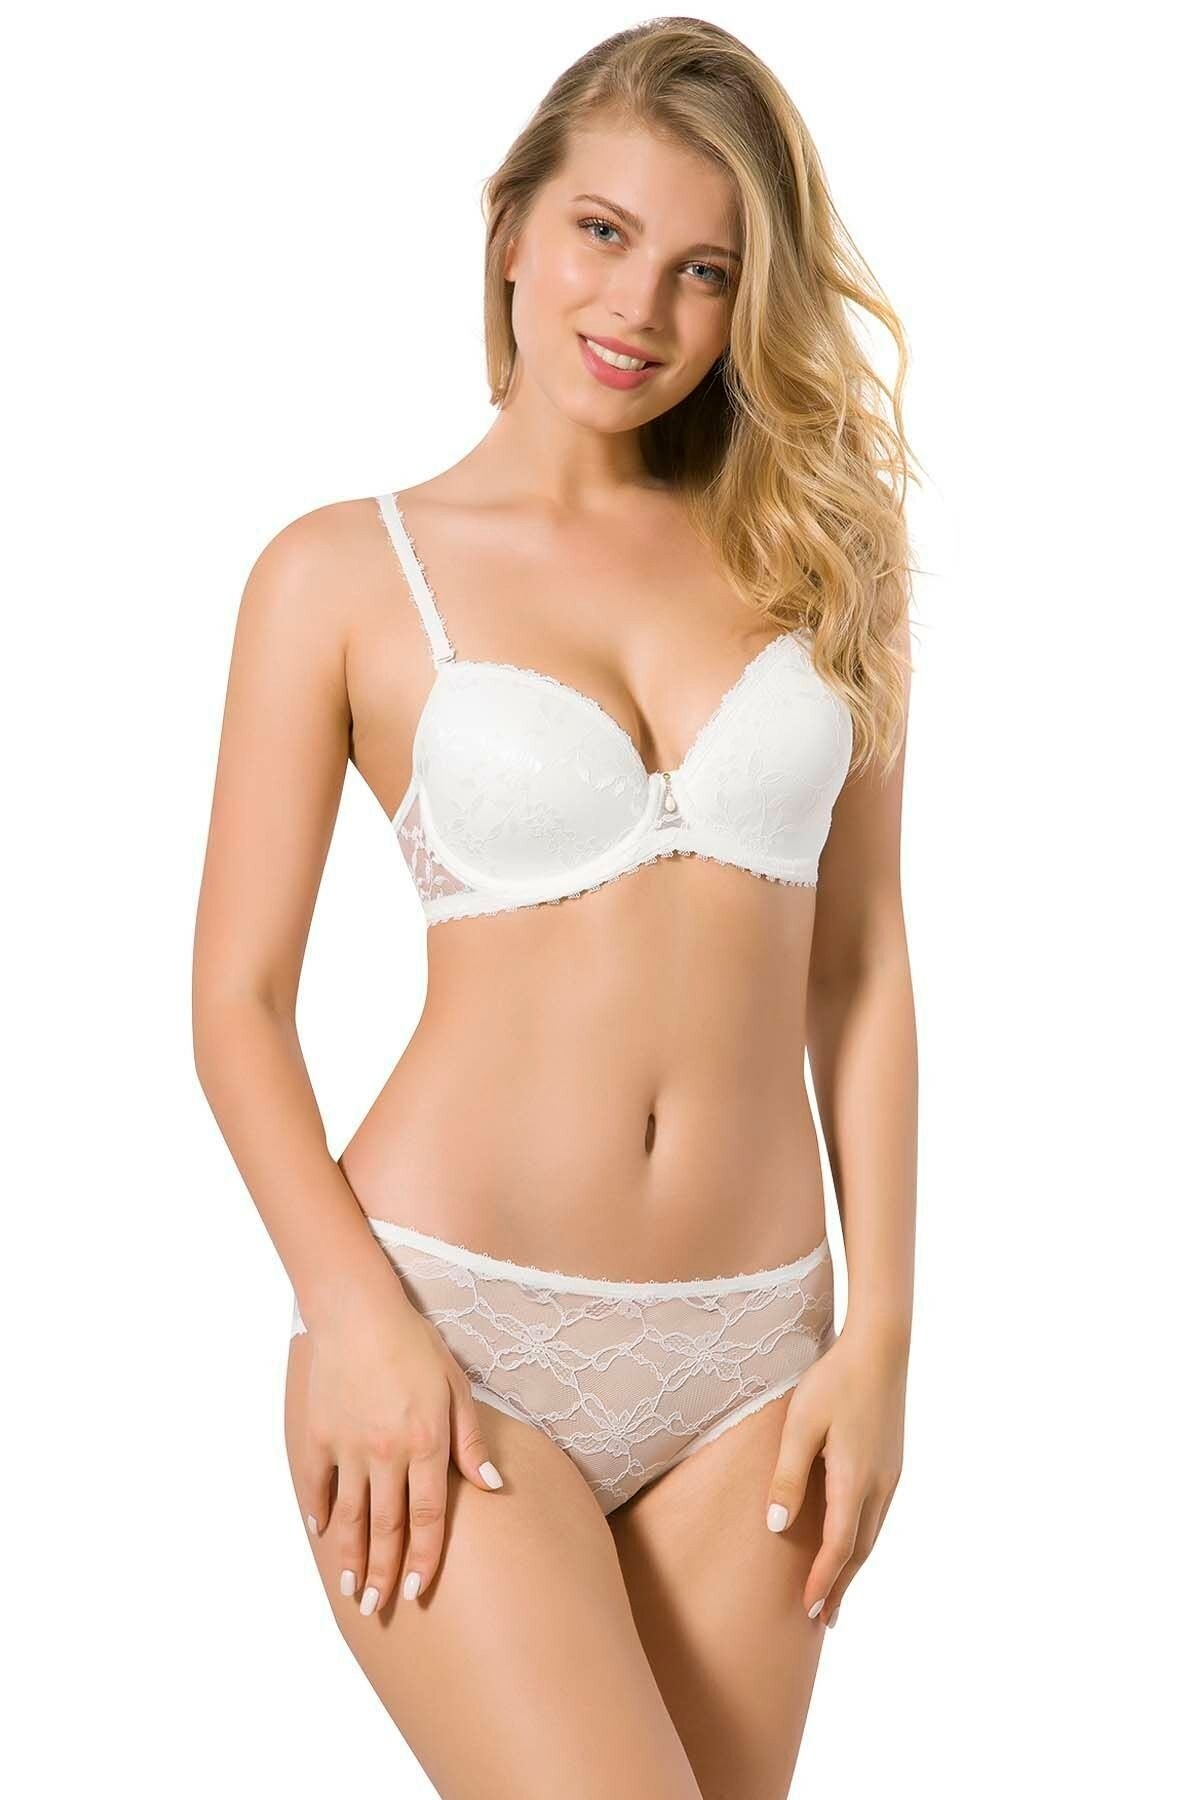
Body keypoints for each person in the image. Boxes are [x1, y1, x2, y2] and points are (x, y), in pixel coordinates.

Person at [192, 17, 918, 1797]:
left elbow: (861, 970)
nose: (639, 308)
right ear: (511, 224)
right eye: (602, 232)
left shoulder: (823, 563)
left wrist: (882, 1337)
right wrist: (355, 1316)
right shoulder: (341, 572)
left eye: (703, 270)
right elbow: (237, 1004)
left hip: (760, 1356)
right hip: (455, 1336)